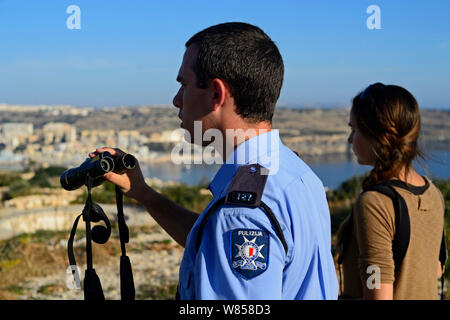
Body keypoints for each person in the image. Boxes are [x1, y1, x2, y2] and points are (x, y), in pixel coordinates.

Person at [92, 22, 338, 299]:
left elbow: (233, 229)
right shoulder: (295, 174)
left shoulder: (242, 212)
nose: (176, 100)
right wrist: (143, 193)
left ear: (216, 94)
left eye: (183, 85)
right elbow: (214, 244)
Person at [337, 82, 445, 300]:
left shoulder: (375, 204)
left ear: (376, 136)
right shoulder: (433, 194)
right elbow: (436, 269)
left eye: (354, 129)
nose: (350, 139)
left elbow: (378, 294)